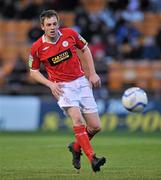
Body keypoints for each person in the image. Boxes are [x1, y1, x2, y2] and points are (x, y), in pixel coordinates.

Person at [28, 10, 106, 172]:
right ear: (42, 27)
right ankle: (93, 158)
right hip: (62, 87)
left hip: (81, 82)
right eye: (48, 25)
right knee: (77, 120)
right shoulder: (37, 47)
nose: (52, 27)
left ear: (58, 24)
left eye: (54, 24)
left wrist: (92, 73)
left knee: (95, 127)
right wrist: (50, 84)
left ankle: (76, 147)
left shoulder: (70, 34)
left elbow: (85, 49)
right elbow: (33, 71)